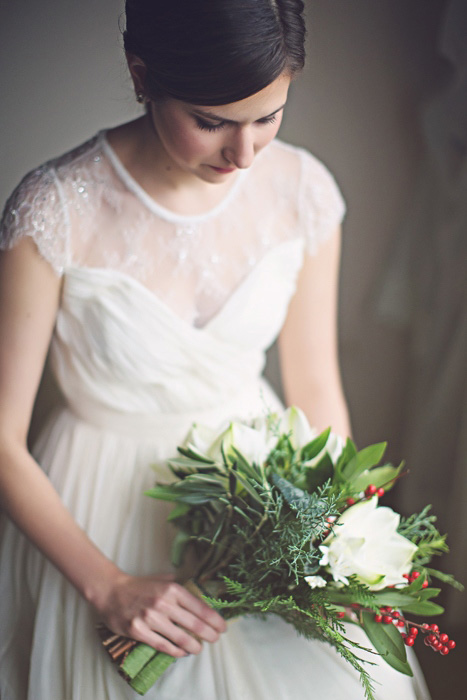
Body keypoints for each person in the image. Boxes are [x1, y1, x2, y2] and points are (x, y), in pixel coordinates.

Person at [0, 1, 429, 698]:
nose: (243, 155)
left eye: (268, 118)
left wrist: (329, 531)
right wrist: (107, 584)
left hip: (261, 484)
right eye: (211, 122)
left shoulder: (303, 191)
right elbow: (0, 436)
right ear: (142, 76)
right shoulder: (53, 209)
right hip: (95, 507)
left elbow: (315, 386)